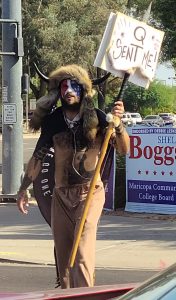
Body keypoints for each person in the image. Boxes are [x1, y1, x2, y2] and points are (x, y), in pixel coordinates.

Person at [17, 64, 130, 289]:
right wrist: (23, 188)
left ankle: (86, 294)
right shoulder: (53, 121)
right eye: (64, 86)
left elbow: (124, 149)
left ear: (83, 90)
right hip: (61, 196)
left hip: (90, 193)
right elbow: (38, 156)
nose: (68, 90)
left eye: (74, 86)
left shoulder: (98, 118)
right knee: (63, 254)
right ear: (58, 92)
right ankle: (67, 295)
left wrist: (117, 125)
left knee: (82, 251)